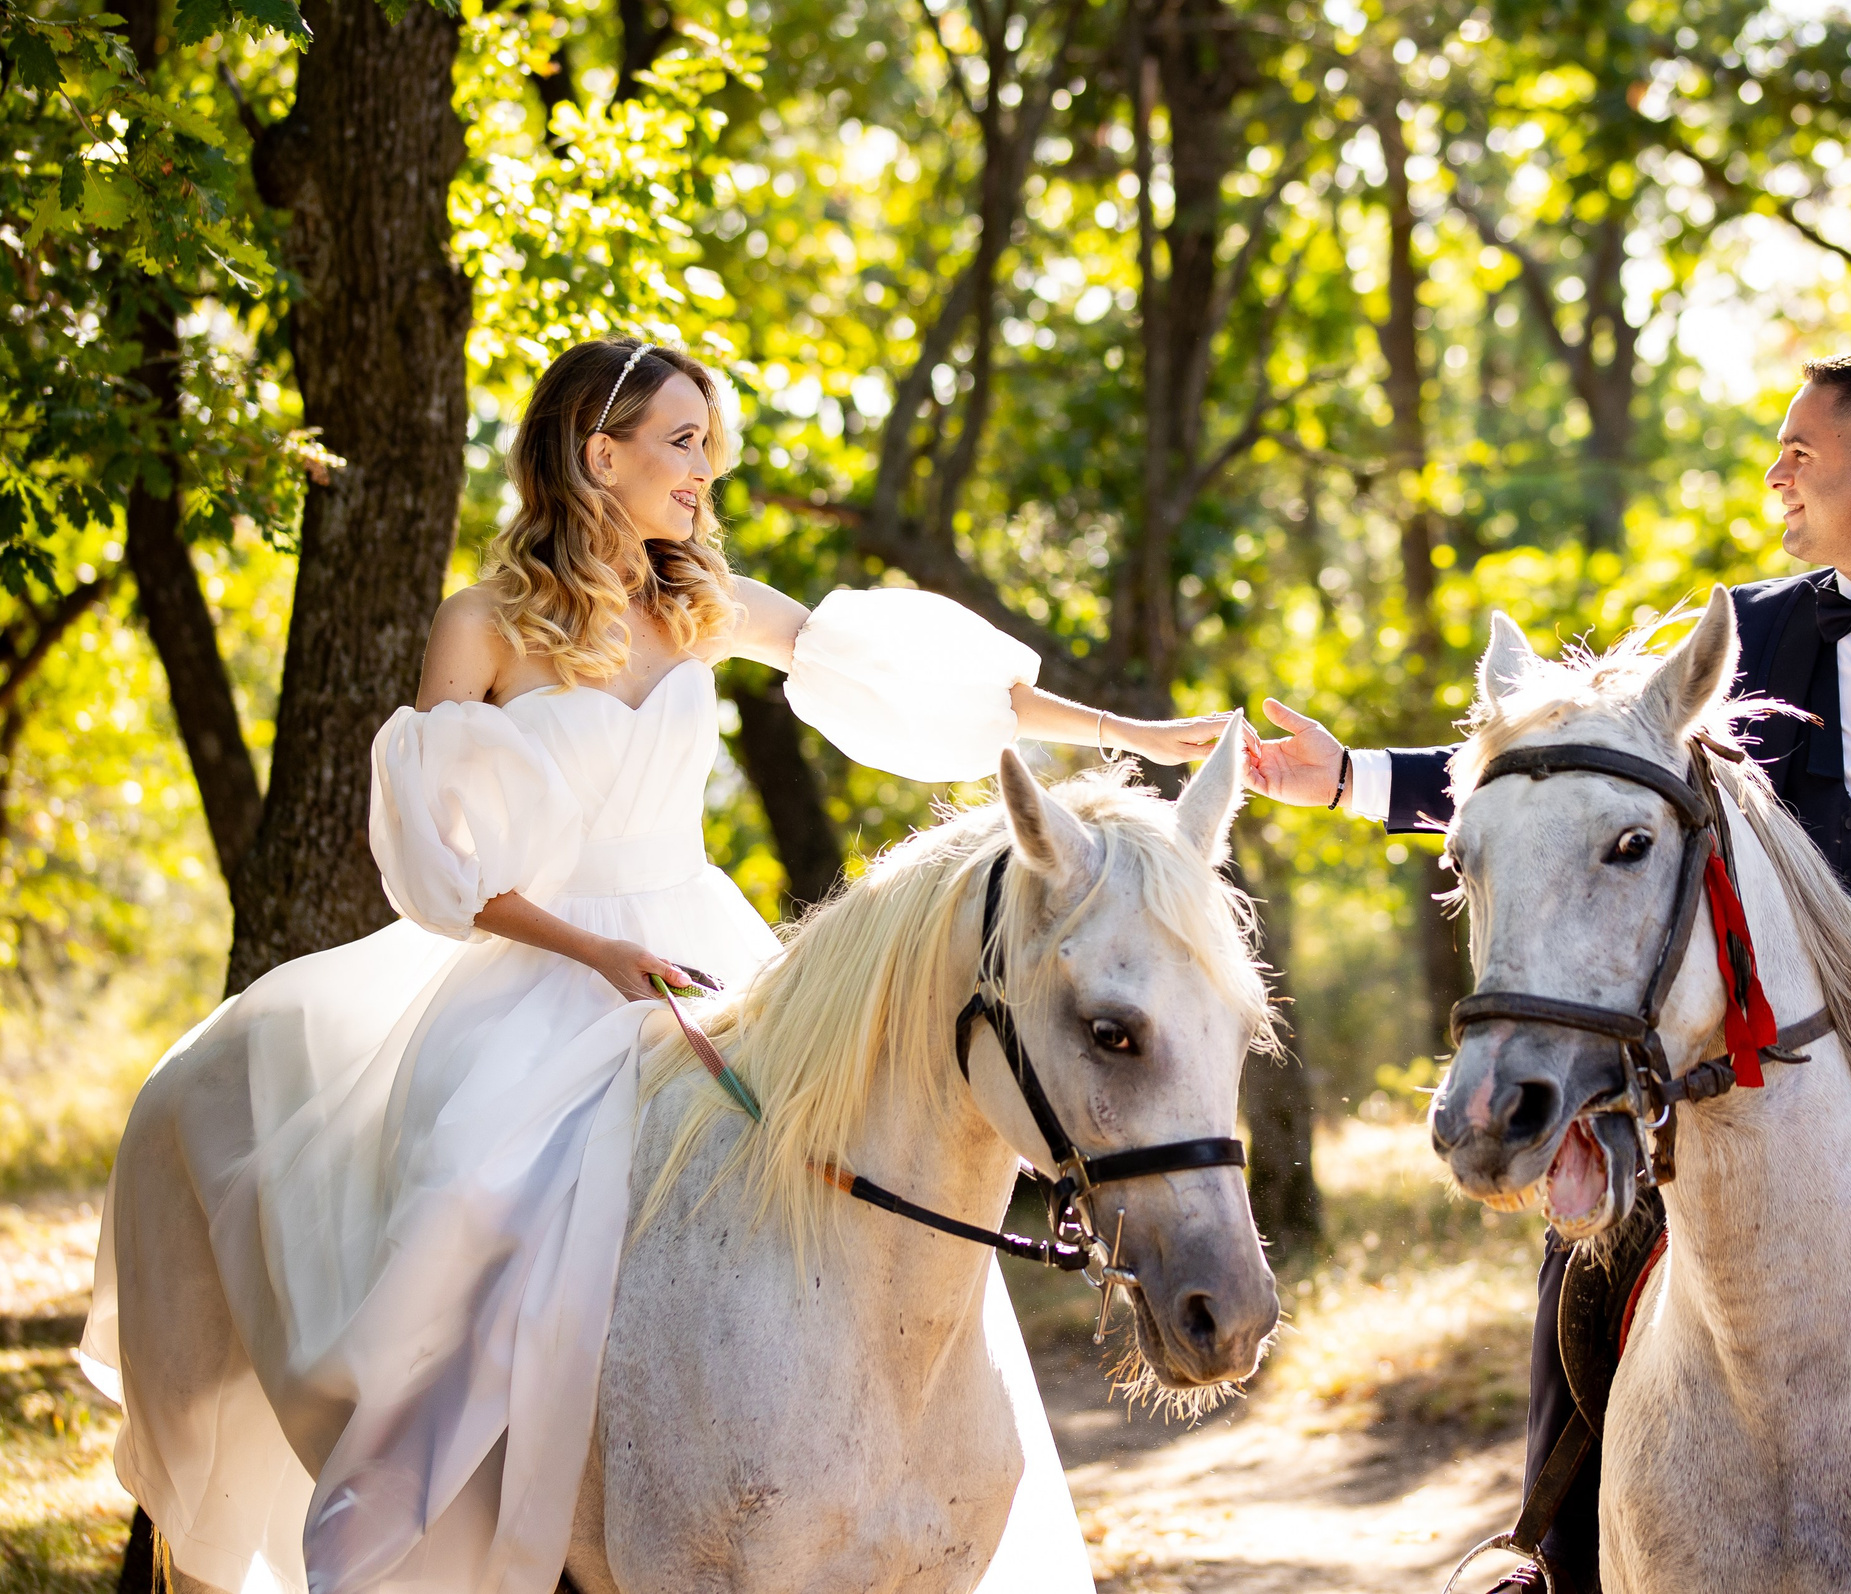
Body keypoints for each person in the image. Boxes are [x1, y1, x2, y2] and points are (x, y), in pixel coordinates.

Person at [80, 337, 1229, 1594]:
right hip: (541, 973)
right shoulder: (482, 627)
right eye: (683, 445)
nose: (703, 474)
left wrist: (1129, 731)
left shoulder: (702, 605)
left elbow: (909, 687)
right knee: (466, 1212)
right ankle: (427, 1544)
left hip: (702, 959)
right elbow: (437, 868)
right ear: (598, 453)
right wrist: (592, 950)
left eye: (707, 448)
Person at [1243, 352, 1851, 1594]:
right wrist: (1347, 779)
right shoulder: (1745, 631)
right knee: (1582, 1254)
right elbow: (1594, 780)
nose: (1774, 475)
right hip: (1760, 1058)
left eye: (1796, 452)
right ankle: (1544, 1550)